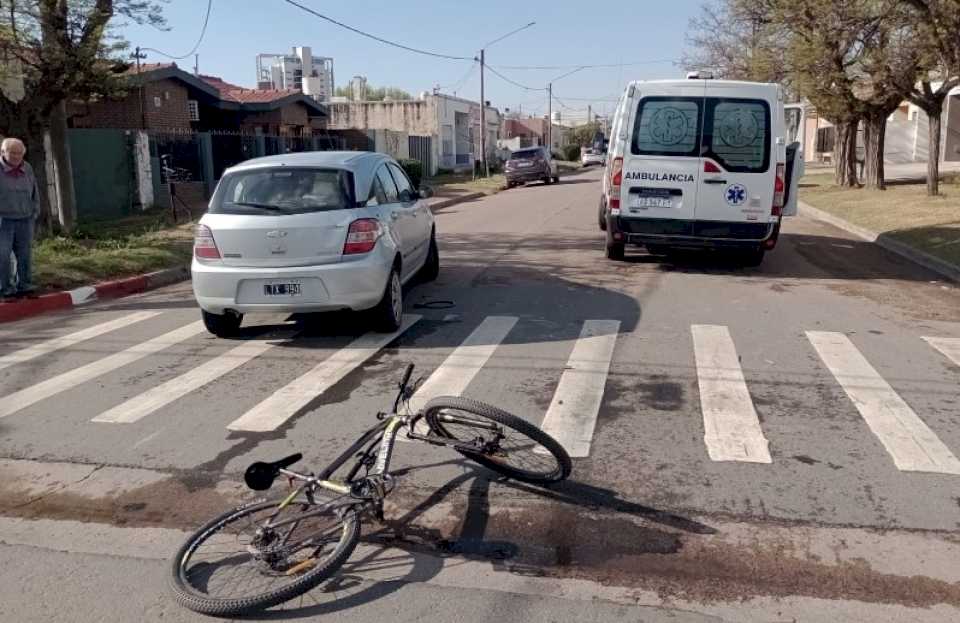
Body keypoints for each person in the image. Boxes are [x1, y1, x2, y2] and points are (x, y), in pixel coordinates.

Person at [0, 137, 40, 298]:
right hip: (3, 220)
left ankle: (25, 285)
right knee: (3, 256)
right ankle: (6, 289)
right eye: (13, 153)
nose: (17, 157)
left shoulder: (27, 167)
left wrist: (35, 211)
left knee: (24, 255)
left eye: (20, 153)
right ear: (3, 152)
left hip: (25, 218)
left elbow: (34, 191)